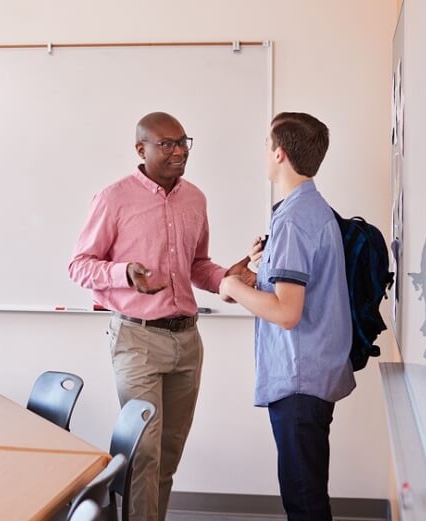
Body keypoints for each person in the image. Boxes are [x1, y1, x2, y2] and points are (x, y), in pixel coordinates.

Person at [68, 112, 253, 521]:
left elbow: (198, 265)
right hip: (136, 339)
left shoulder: (195, 198)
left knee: (168, 454)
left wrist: (228, 279)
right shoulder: (114, 198)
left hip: (187, 341)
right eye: (166, 144)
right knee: (144, 453)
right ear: (141, 149)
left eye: (183, 141)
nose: (178, 151)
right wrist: (124, 274)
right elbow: (79, 265)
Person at [219, 112, 356, 521]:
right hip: (313, 373)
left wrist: (233, 287)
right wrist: (259, 273)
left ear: (279, 154)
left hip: (300, 380)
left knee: (304, 501)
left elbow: (287, 312)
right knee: (307, 491)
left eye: (266, 144)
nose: (263, 151)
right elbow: (295, 290)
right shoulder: (307, 208)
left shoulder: (295, 219)